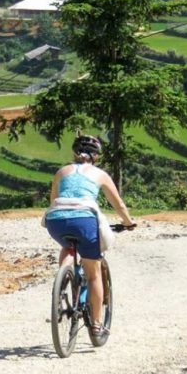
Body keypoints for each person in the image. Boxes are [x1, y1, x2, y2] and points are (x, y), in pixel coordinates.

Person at [44, 134, 135, 336]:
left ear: (74, 153)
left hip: (55, 220)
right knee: (94, 275)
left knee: (67, 246)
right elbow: (118, 203)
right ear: (96, 157)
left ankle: (63, 282)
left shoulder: (62, 172)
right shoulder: (100, 174)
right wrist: (128, 222)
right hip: (84, 220)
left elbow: (54, 200)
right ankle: (95, 325)